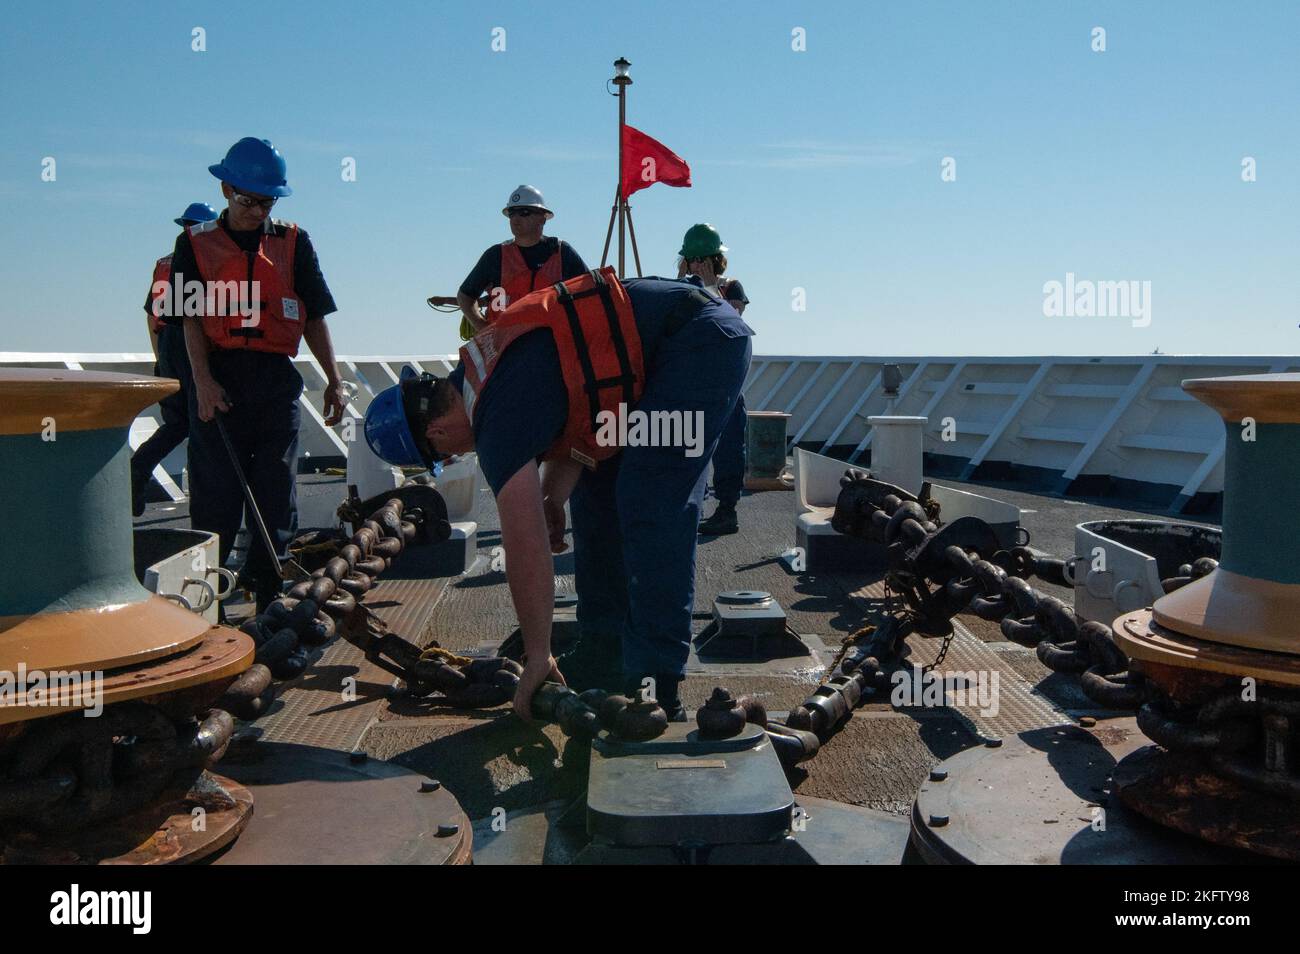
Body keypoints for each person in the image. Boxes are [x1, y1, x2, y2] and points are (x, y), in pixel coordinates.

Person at [365, 268, 754, 721]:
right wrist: (552, 497)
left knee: (650, 498)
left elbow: (524, 545)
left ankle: (656, 683)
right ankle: (604, 649)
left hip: (698, 344)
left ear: (435, 432)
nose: (454, 458)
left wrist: (537, 656)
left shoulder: (494, 418)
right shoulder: (482, 369)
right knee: (598, 495)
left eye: (442, 458)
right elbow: (581, 400)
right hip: (663, 343)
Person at [171, 137, 345, 613]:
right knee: (217, 496)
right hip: (219, 379)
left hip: (274, 379)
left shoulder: (293, 242)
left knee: (274, 488)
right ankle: (207, 600)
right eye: (248, 199)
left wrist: (334, 379)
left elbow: (314, 316)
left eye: (266, 201)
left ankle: (269, 589)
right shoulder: (194, 244)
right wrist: (202, 383)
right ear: (226, 190)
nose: (256, 209)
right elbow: (188, 319)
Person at [130, 202, 218, 516]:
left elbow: (152, 316)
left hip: (168, 342)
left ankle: (138, 468)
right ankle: (207, 501)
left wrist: (160, 360)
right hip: (192, 341)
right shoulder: (209, 259)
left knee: (177, 422)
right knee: (204, 422)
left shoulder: (163, 263)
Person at [676, 224, 751, 535]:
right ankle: (688, 505)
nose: (696, 266)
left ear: (715, 260)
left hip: (725, 381)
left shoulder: (731, 288)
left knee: (729, 446)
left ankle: (726, 509)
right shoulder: (681, 290)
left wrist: (708, 286)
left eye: (701, 260)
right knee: (688, 446)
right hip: (693, 379)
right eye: (691, 261)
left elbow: (731, 320)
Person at [455, 185, 589, 338]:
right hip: (504, 352)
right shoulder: (495, 256)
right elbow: (465, 296)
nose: (516, 219)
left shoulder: (563, 254)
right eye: (512, 214)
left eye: (524, 212)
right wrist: (482, 327)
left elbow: (590, 295)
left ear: (543, 218)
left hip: (551, 350)